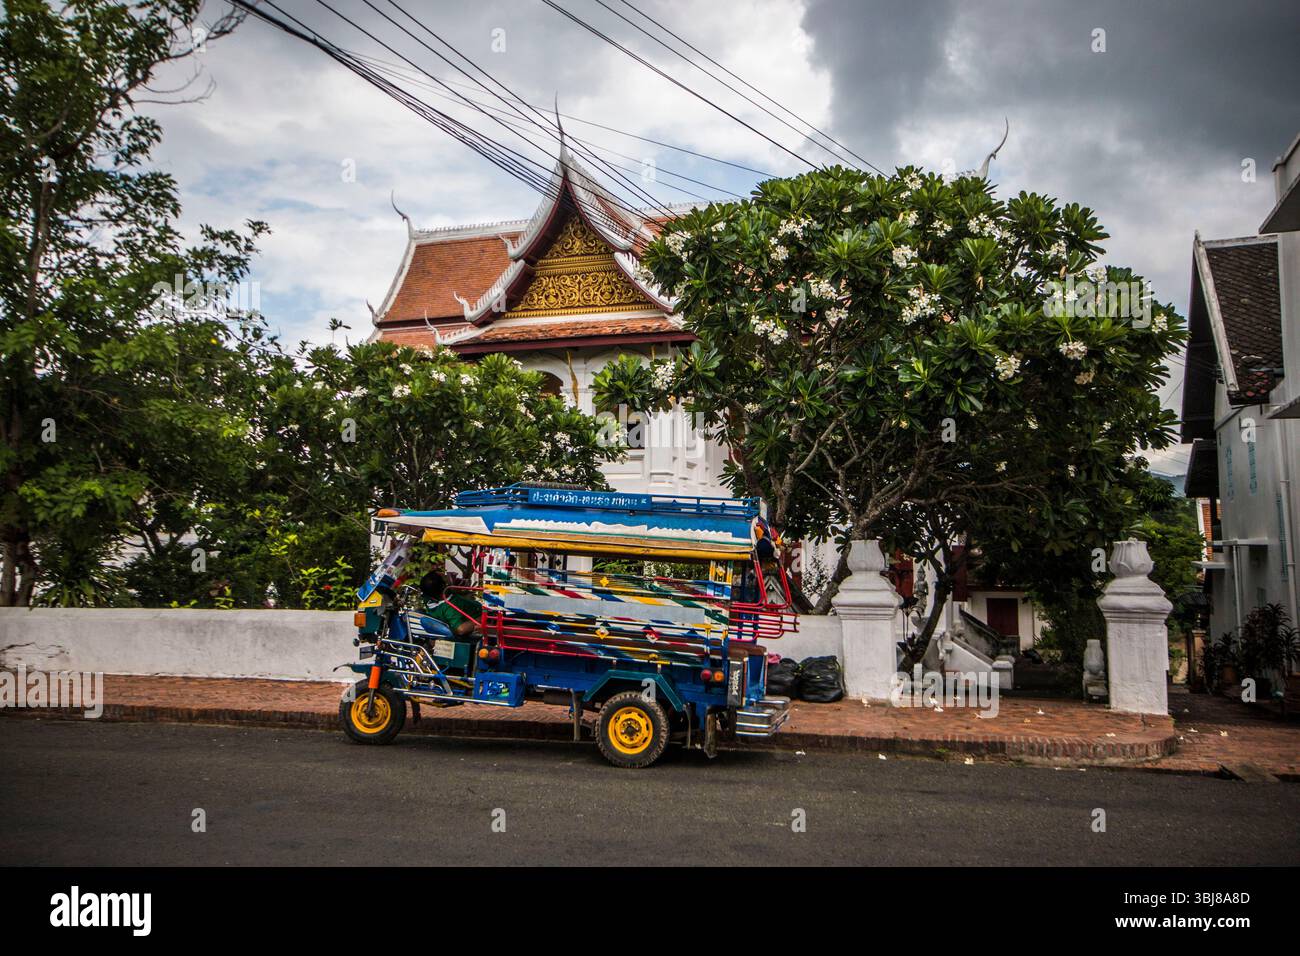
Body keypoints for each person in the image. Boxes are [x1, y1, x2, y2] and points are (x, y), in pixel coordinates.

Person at [418, 570, 481, 639]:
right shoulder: (449, 607)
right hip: (482, 617)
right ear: (443, 586)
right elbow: (461, 629)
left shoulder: (429, 599)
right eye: (445, 577)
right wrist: (482, 619)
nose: (448, 576)